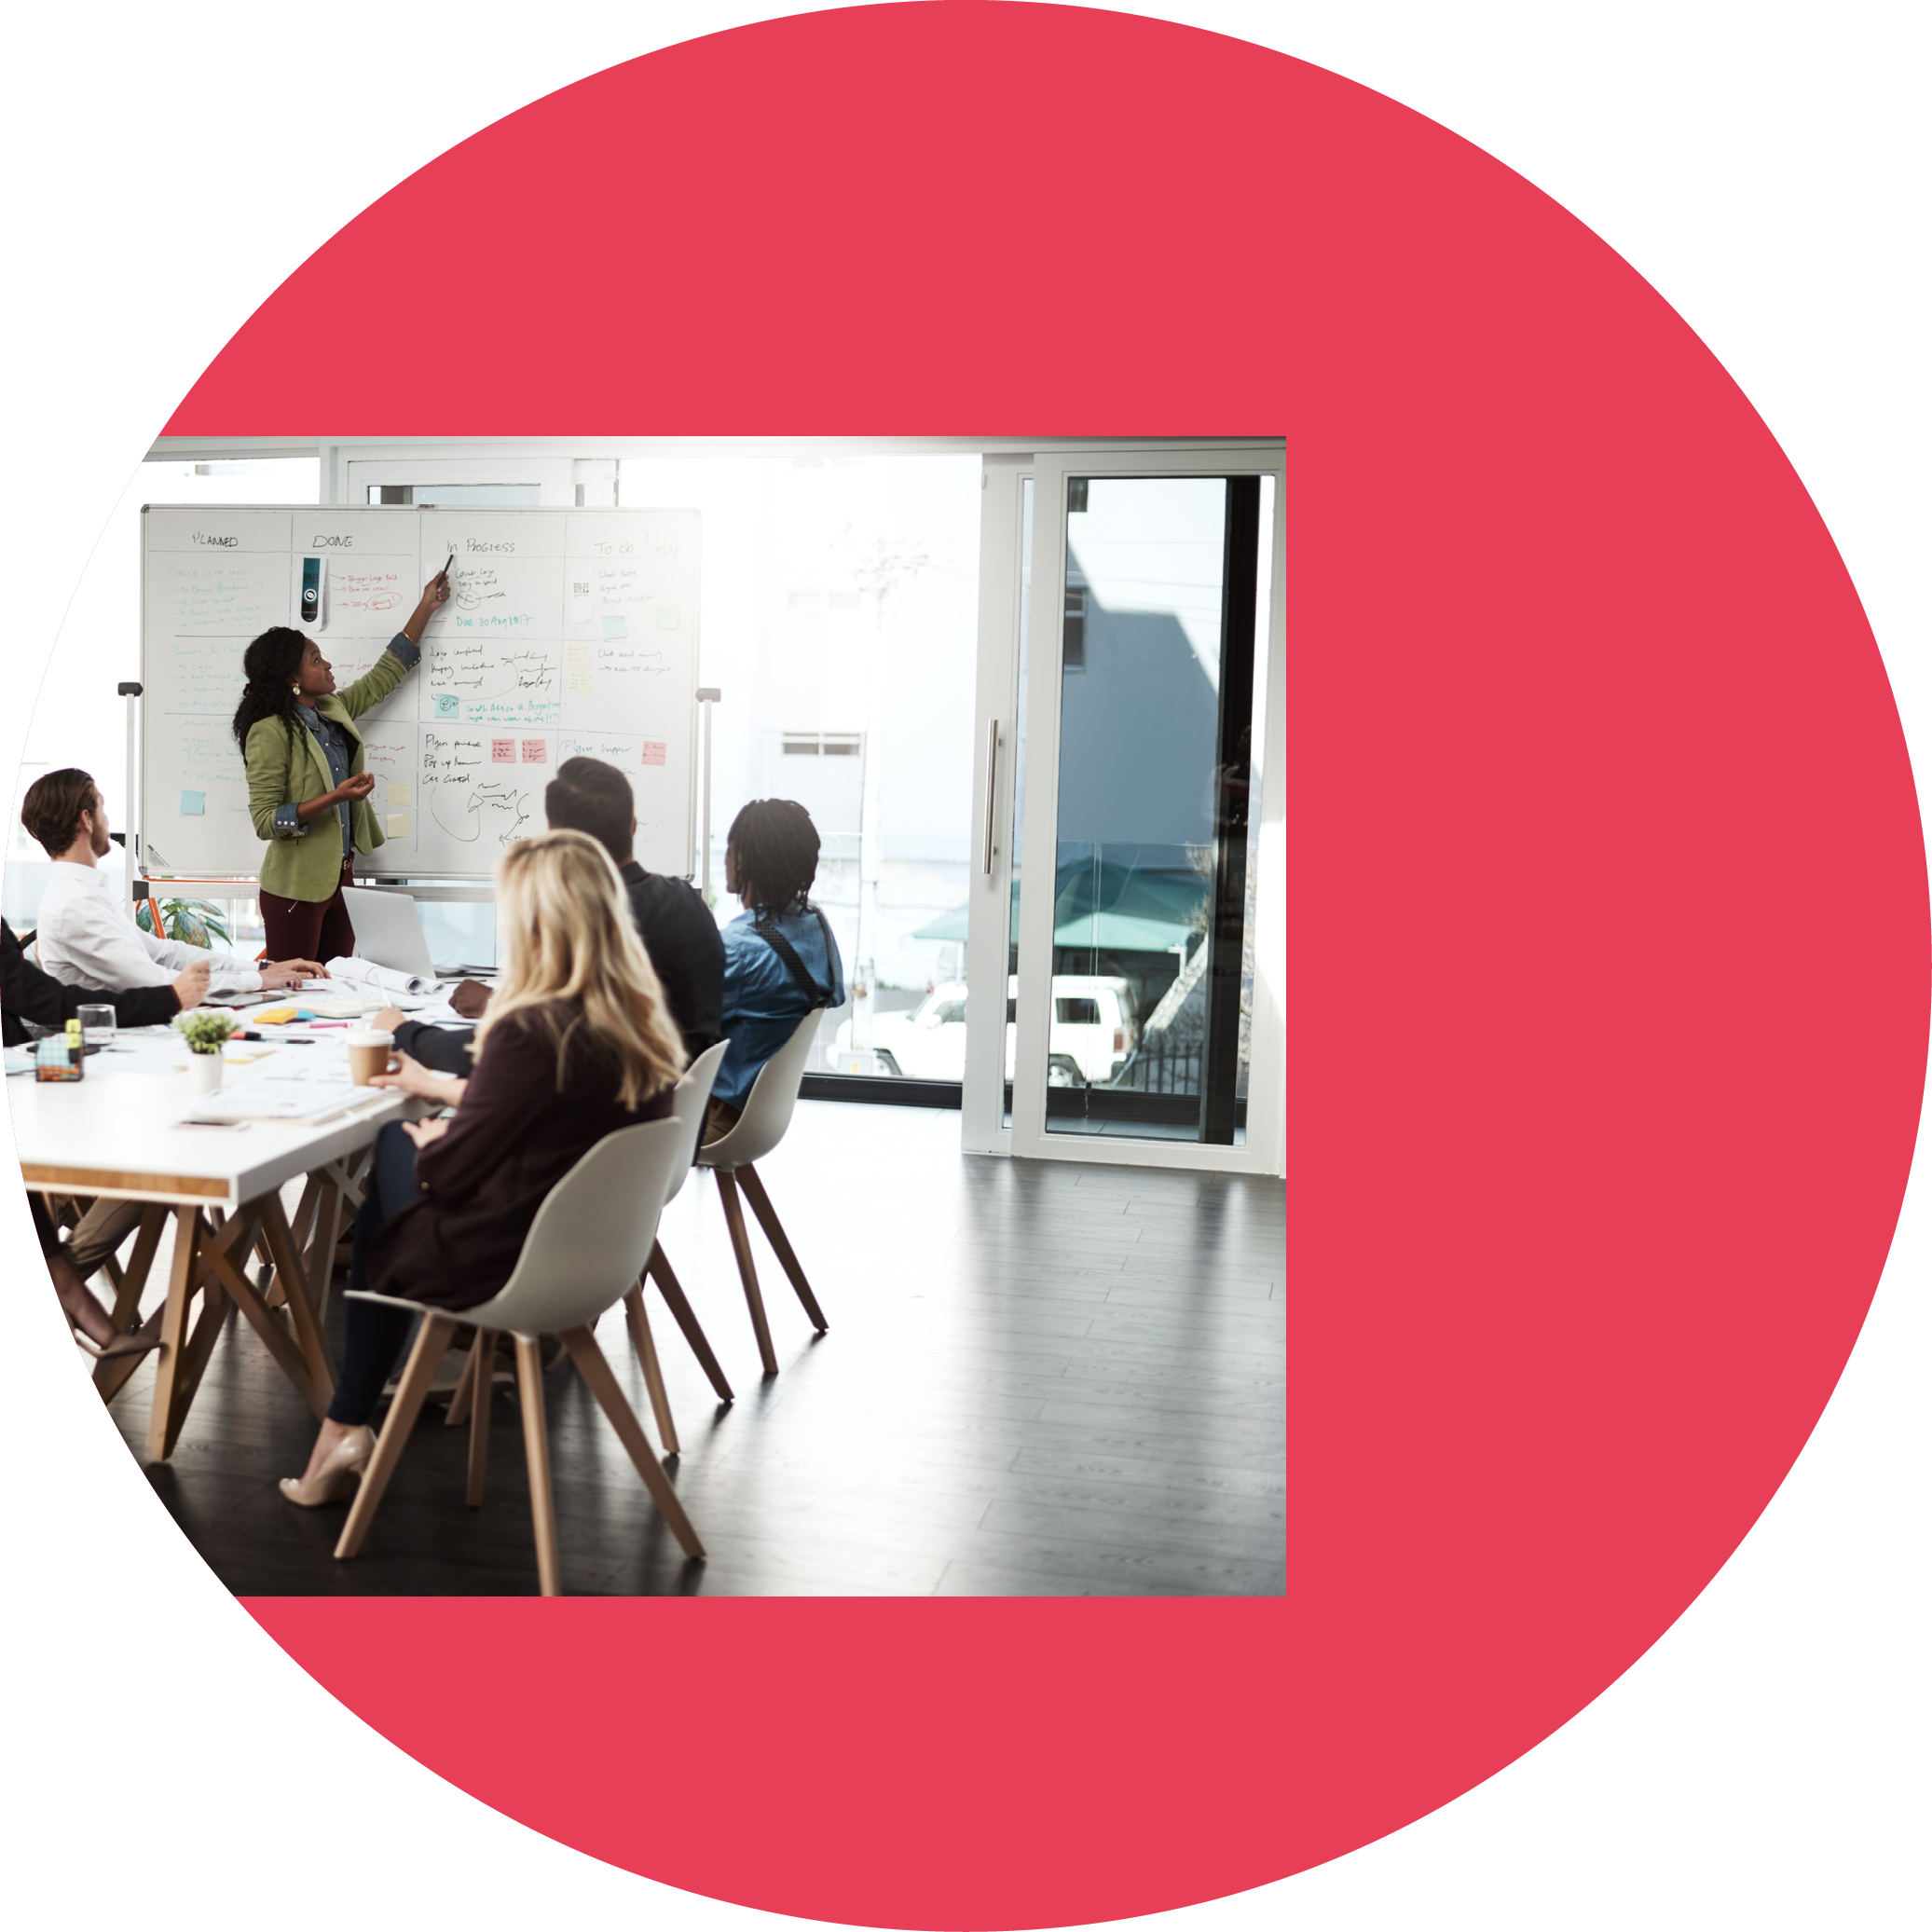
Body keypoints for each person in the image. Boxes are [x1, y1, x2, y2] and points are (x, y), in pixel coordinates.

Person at [279, 829, 686, 1506]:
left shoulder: (530, 1027)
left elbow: (459, 1169)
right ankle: (345, 1422)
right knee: (406, 1147)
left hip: (515, 1258)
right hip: (599, 1252)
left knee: (393, 1153)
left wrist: (437, 1141)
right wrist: (452, 1095)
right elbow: (559, 1114)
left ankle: (344, 1424)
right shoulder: (636, 1024)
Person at [376, 754, 723, 1075]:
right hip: (675, 1113)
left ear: (556, 843)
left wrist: (406, 1035)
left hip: (616, 1114)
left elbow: (525, 1048)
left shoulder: (597, 923)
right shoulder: (685, 900)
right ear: (633, 825)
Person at [6, 916, 209, 1351]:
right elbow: (45, 1000)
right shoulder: (72, 902)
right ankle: (60, 1288)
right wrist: (170, 998)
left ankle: (60, 1284)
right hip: (34, 1071)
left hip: (32, 1064)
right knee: (154, 1152)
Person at [236, 569, 447, 963]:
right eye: (316, 659)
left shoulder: (333, 710)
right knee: (294, 994)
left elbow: (386, 673)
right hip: (295, 891)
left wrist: (425, 607)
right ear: (292, 678)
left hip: (341, 878)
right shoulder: (269, 732)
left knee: (338, 990)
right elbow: (266, 822)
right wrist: (334, 798)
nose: (328, 664)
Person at [21, 770, 320, 998]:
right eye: (102, 810)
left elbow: (166, 953)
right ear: (85, 820)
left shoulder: (85, 892)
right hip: (119, 1044)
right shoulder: (75, 904)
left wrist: (262, 969)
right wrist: (259, 981)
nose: (107, 820)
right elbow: (157, 981)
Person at [705, 799, 844, 1144]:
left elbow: (683, 1025)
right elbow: (835, 995)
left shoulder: (739, 947)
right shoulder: (818, 927)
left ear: (746, 860)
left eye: (730, 849)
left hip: (715, 1118)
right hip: (763, 1116)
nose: (725, 859)